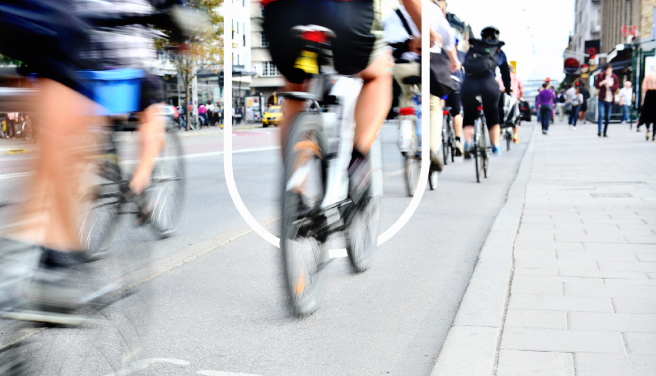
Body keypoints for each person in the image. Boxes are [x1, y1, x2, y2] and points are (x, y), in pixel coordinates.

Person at [461, 25, 511, 157]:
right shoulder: (498, 51)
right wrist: (508, 88)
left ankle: (467, 141)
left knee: (469, 115)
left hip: (469, 85)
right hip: (488, 84)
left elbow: (465, 66)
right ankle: (495, 146)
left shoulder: (473, 48)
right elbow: (505, 72)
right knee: (492, 114)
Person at [594, 64, 619, 137]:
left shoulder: (614, 77)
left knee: (607, 117)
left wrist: (610, 84)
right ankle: (599, 131)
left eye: (609, 69)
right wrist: (601, 83)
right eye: (607, 70)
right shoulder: (601, 76)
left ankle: (605, 132)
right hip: (601, 98)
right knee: (601, 115)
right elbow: (596, 85)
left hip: (610, 99)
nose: (608, 71)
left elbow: (616, 88)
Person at [639, 67, 656, 141]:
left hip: (649, 95)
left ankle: (648, 128)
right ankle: (654, 134)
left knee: (647, 114)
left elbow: (644, 88)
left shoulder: (648, 76)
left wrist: (643, 100)